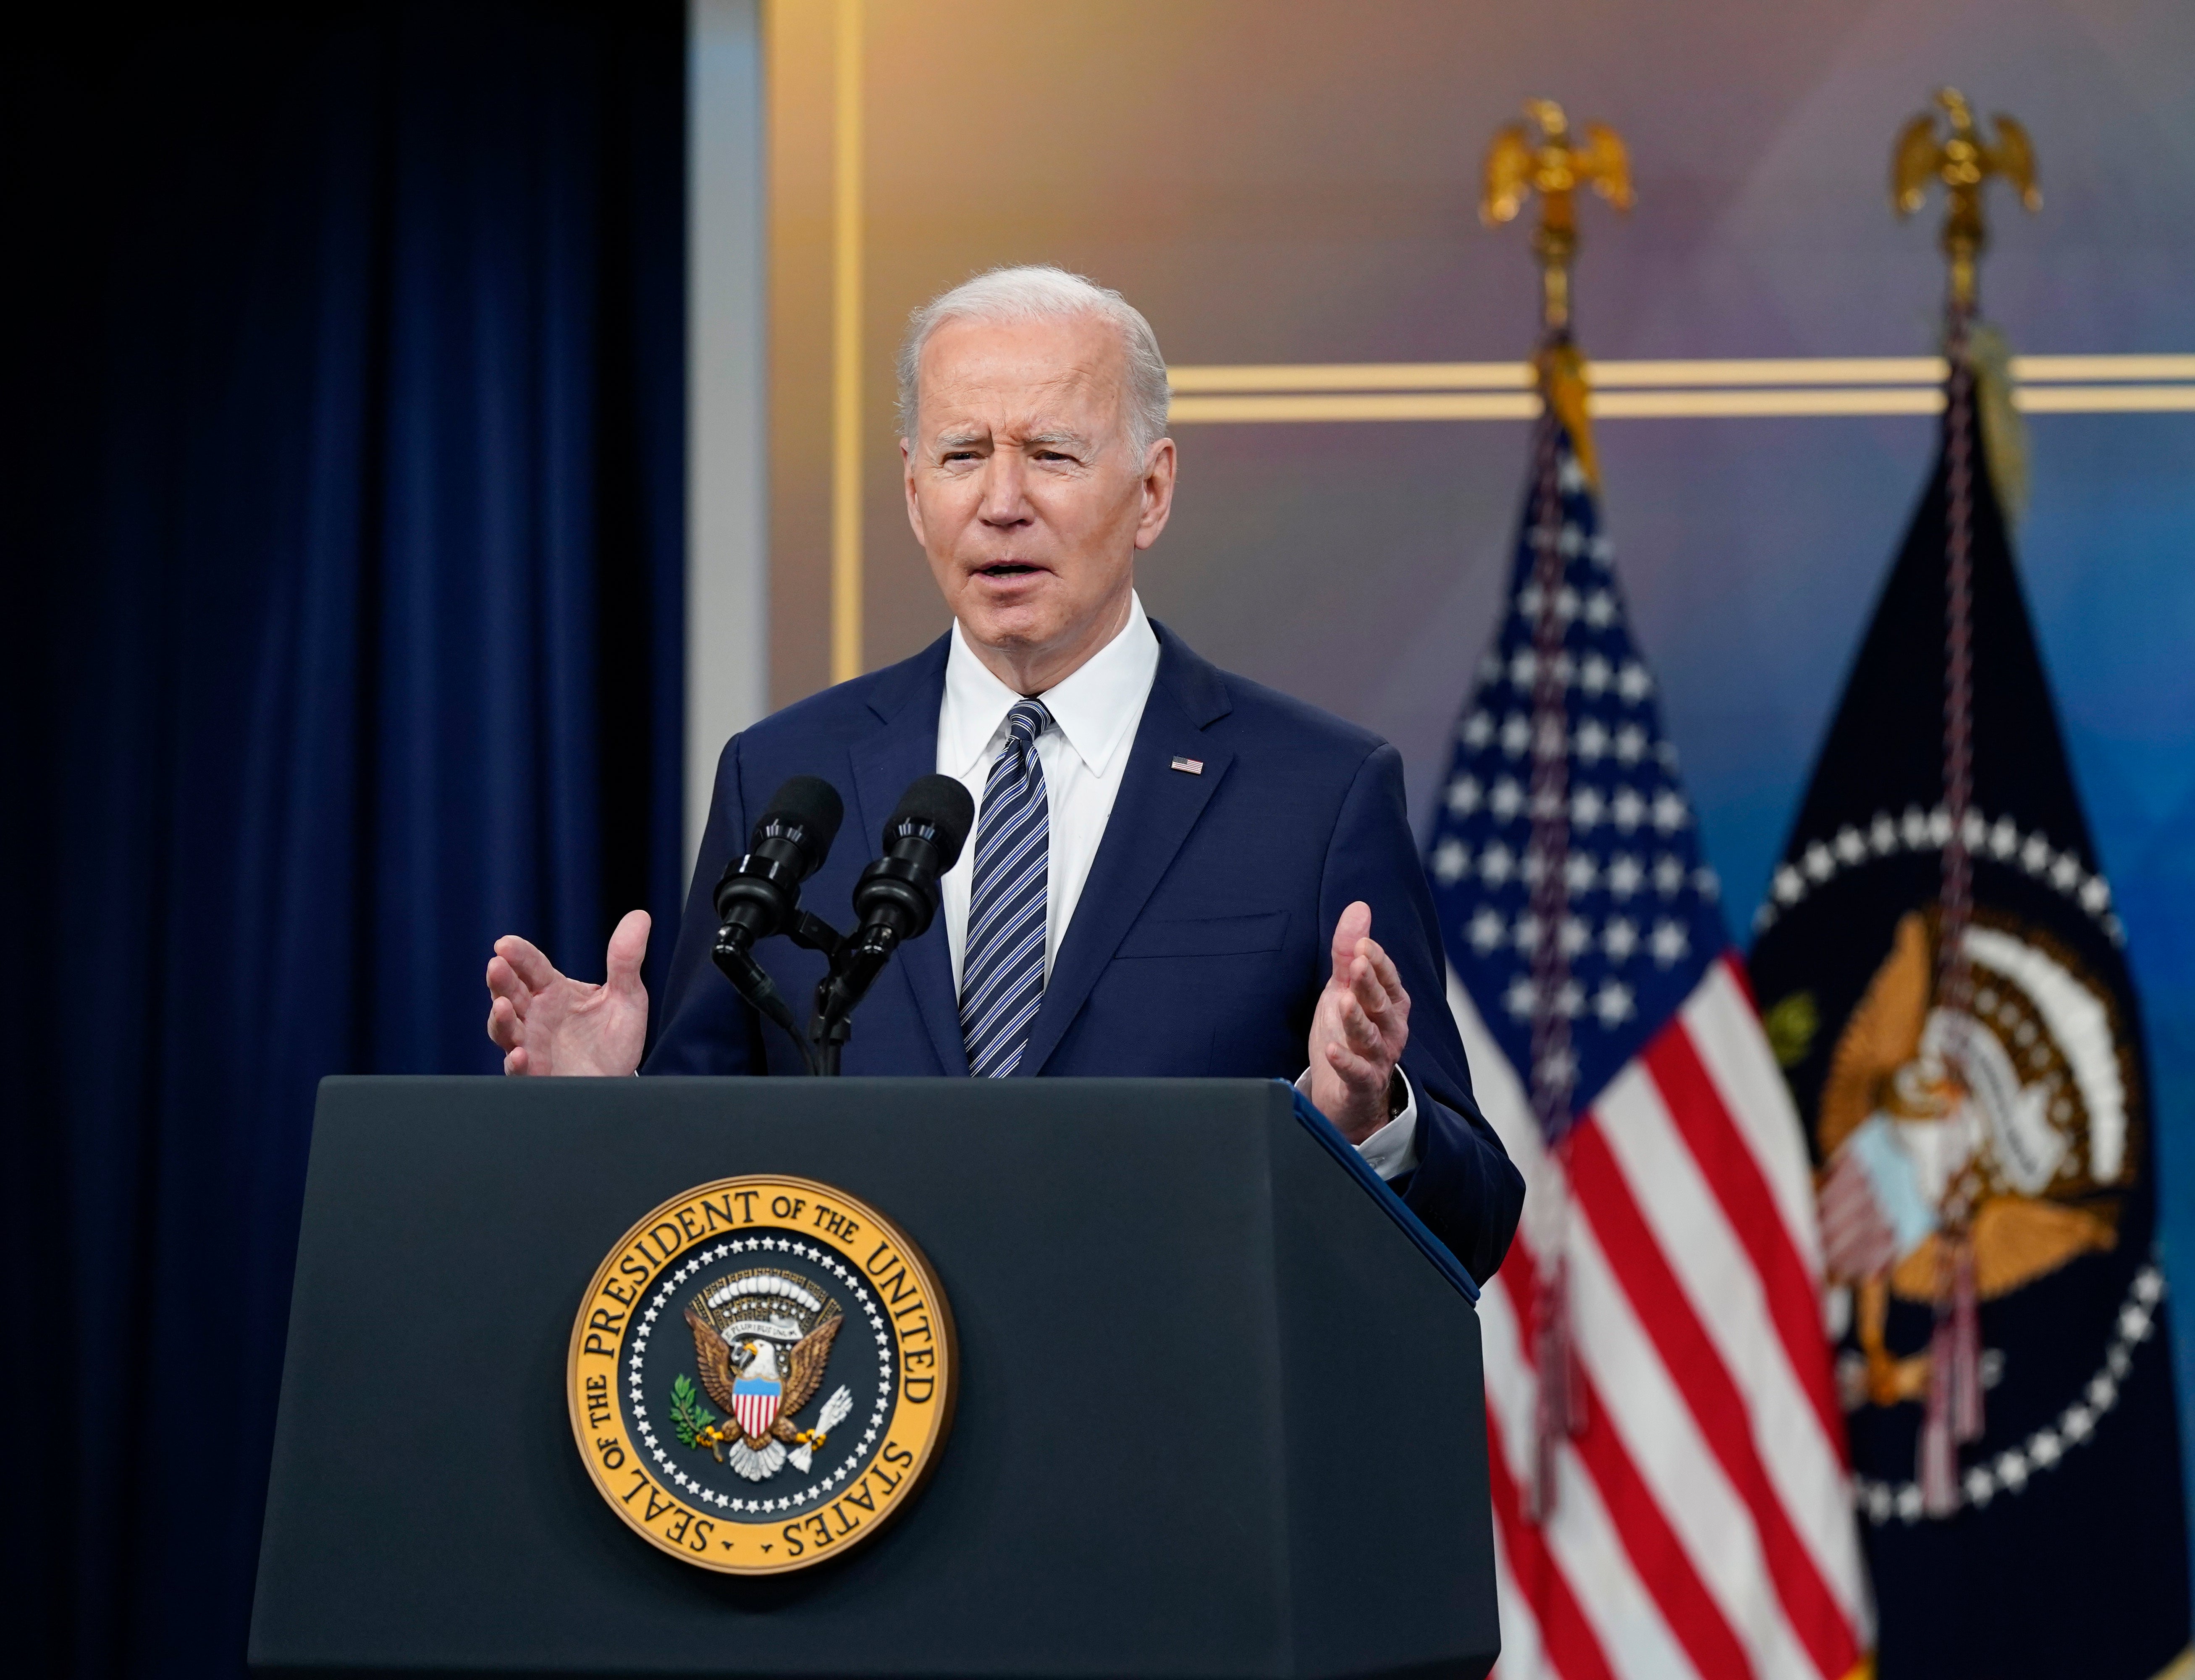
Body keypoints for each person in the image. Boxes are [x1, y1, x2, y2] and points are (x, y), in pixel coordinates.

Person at [484, 265, 1521, 1282]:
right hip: (864, 1428)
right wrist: (606, 1114)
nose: (1002, 501)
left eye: (1053, 454)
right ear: (911, 490)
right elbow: (707, 1192)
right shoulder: (789, 775)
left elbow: (1473, 1220)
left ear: (1152, 490)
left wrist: (1366, 1115)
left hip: (1179, 1424)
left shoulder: (1317, 793)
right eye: (962, 453)